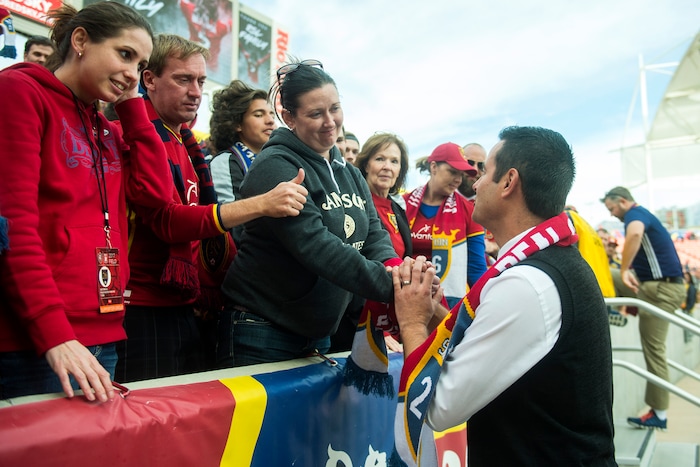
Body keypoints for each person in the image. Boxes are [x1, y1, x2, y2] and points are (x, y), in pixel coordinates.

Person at [393, 126, 615, 466]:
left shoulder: (525, 285)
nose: (476, 184)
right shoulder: (551, 262)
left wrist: (411, 320)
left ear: (509, 182)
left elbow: (438, 407)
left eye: (485, 173)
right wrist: (436, 311)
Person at [0, 1, 173, 401]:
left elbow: (158, 193)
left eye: (140, 63)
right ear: (80, 40)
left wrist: (131, 106)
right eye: (124, 54)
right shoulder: (20, 92)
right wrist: (54, 334)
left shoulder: (108, 129)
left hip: (102, 335)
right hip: (36, 343)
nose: (133, 72)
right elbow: (13, 226)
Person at [116, 35, 308, 382]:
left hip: (186, 304)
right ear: (149, 79)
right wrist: (261, 204)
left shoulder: (185, 146)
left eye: (201, 81)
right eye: (183, 79)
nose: (195, 92)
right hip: (141, 308)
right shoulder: (129, 133)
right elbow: (168, 222)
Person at [217, 59, 401, 367]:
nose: (330, 121)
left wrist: (395, 268)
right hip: (262, 330)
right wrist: (394, 287)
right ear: (289, 117)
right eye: (316, 113)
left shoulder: (350, 173)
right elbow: (316, 246)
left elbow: (373, 233)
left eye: (335, 108)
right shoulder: (276, 165)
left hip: (316, 334)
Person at [602, 186, 686, 430]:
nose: (614, 215)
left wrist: (626, 269)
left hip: (659, 291)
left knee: (654, 350)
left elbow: (635, 235)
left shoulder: (635, 215)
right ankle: (608, 310)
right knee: (602, 274)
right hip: (652, 286)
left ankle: (659, 413)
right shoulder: (640, 214)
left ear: (624, 201)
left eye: (613, 208)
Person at [330, 132, 413, 353]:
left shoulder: (397, 209)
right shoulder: (352, 206)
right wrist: (376, 329)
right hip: (359, 325)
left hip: (394, 326)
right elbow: (347, 267)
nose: (387, 166)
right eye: (380, 159)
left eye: (394, 161)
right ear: (365, 165)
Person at [405, 143, 487, 309]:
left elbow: (476, 268)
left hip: (448, 305)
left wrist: (487, 304)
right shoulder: (402, 204)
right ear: (434, 167)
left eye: (461, 174)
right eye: (452, 172)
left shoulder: (469, 211)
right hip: (404, 296)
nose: (458, 179)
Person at [208, 79, 276, 244]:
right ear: (237, 124)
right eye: (259, 115)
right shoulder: (224, 162)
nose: (270, 121)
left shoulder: (276, 160)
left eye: (271, 114)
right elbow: (231, 225)